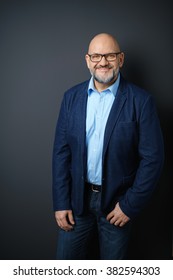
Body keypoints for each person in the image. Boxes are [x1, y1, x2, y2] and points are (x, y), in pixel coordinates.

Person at [52, 33, 164, 259]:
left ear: (120, 59)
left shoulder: (141, 101)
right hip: (76, 203)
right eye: (96, 56)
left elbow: (153, 159)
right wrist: (61, 202)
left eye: (109, 55)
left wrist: (129, 205)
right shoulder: (71, 98)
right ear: (87, 60)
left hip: (117, 205)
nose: (102, 62)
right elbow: (61, 154)